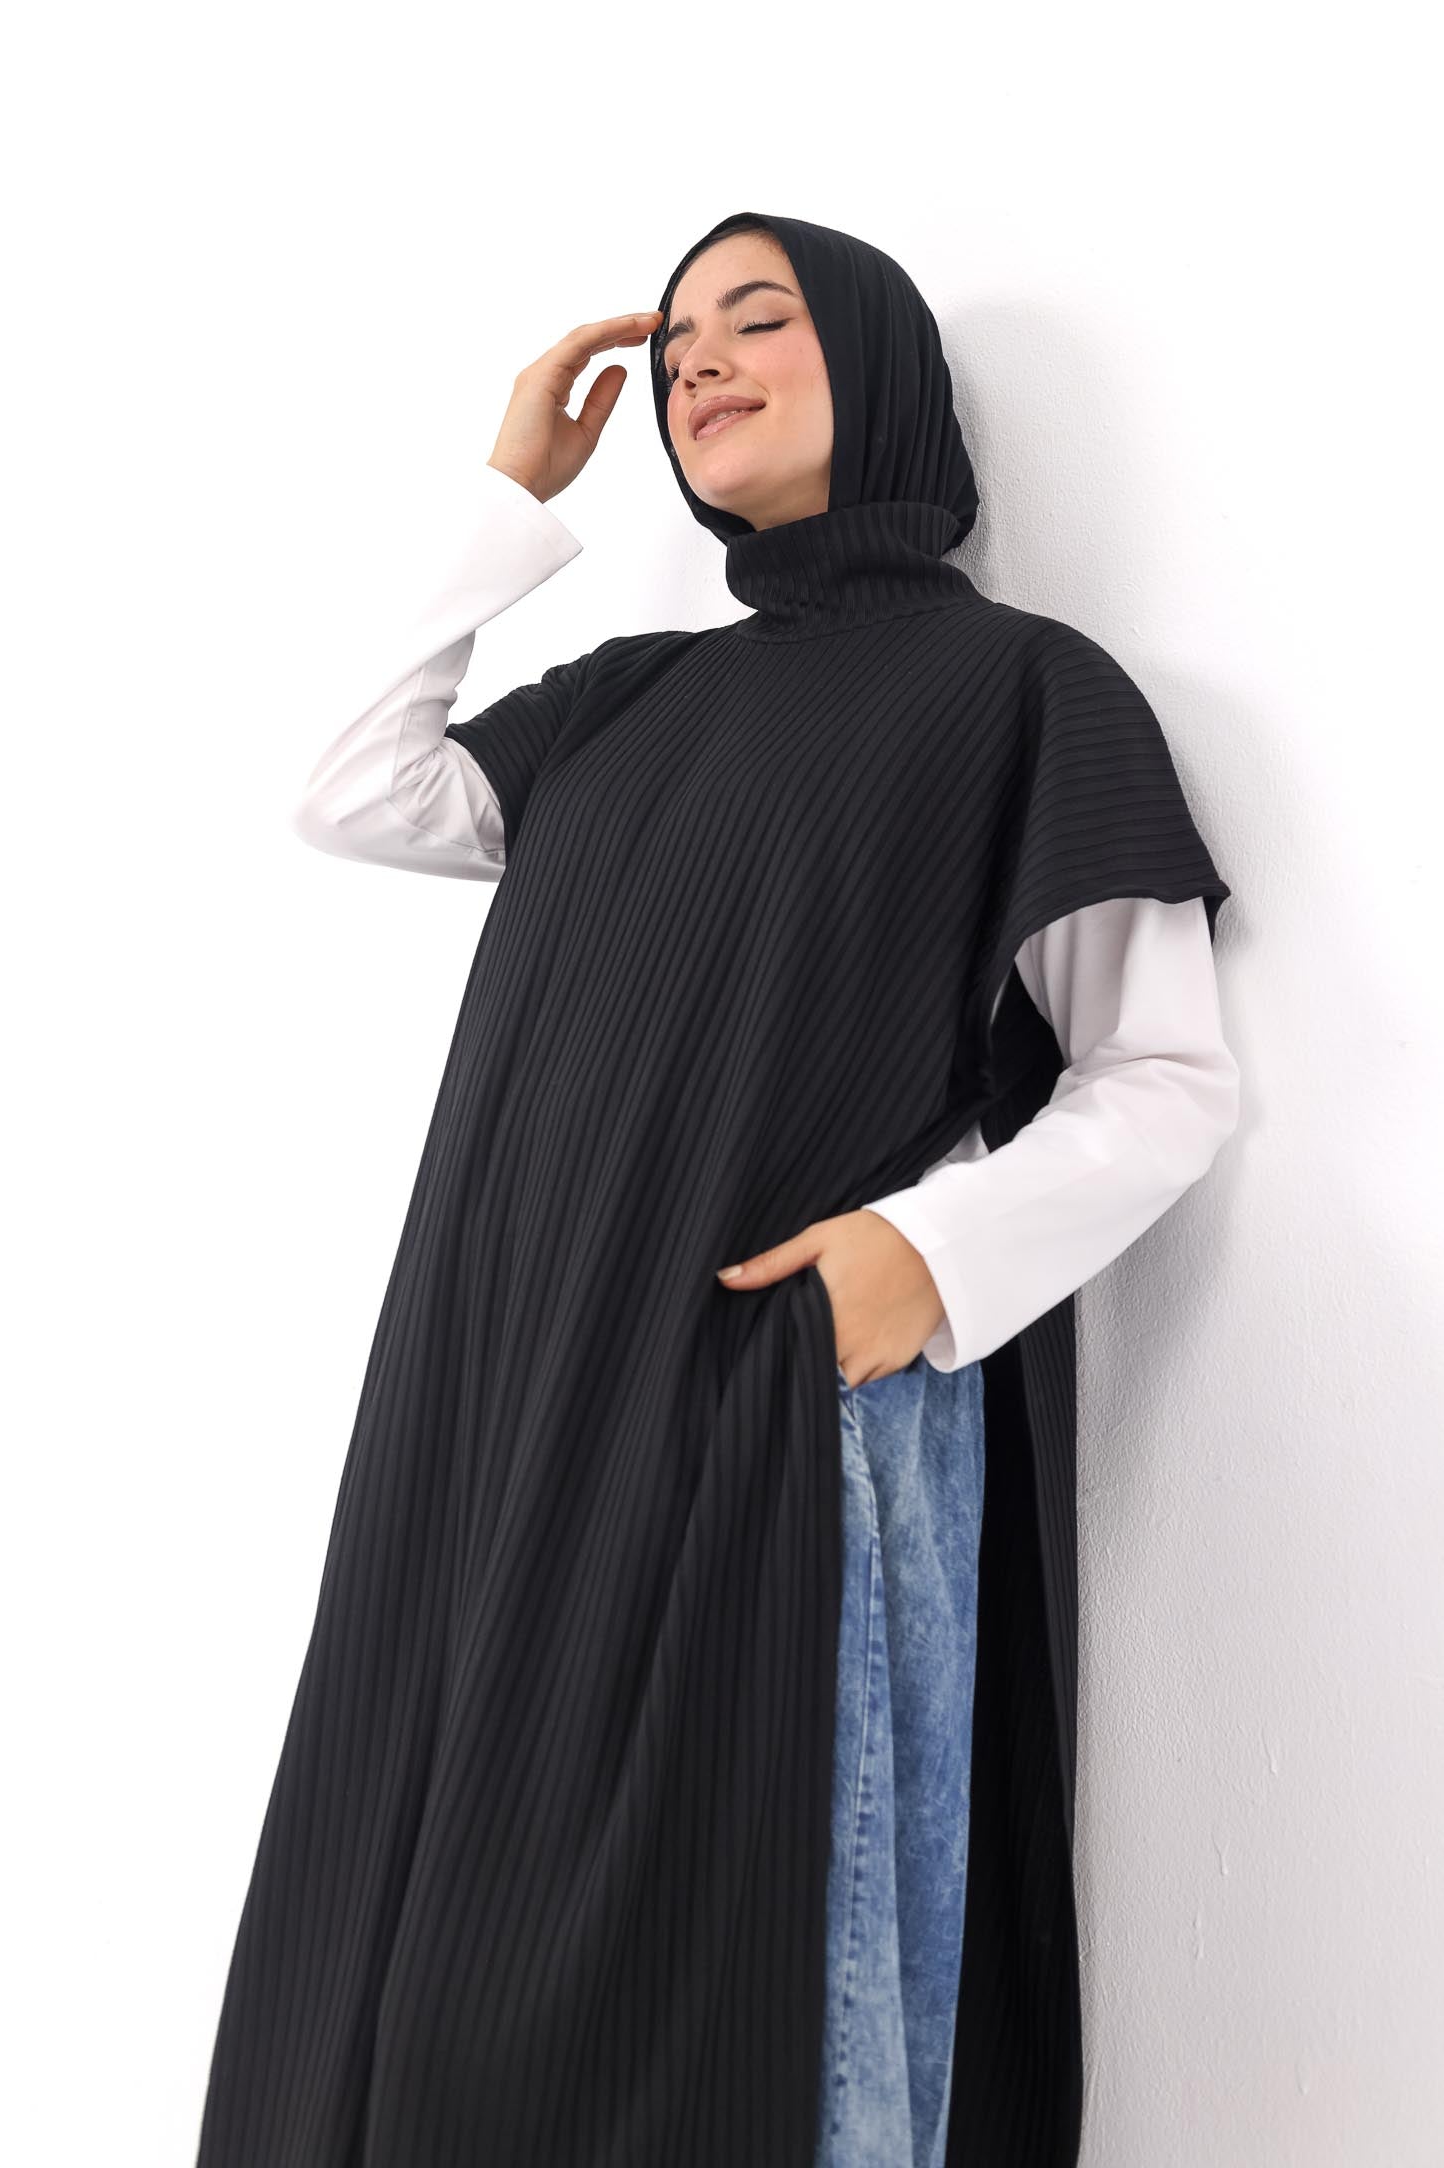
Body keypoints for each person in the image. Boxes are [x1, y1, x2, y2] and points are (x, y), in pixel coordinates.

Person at [196, 213, 1238, 2168]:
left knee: (746, 1984)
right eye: (677, 338)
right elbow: (349, 787)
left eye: (759, 319)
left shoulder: (1023, 692)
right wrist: (510, 492)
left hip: (772, 1408)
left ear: (885, 372)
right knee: (435, 1952)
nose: (697, 361)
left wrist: (922, 1256)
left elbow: (1164, 1078)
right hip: (512, 1410)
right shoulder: (625, 701)